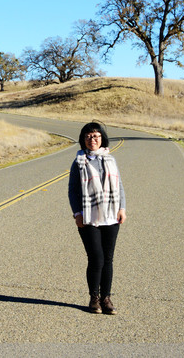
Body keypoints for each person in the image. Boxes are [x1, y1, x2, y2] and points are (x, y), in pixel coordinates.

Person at [68, 121, 127, 315]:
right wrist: (77, 214)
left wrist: (122, 208)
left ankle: (106, 298)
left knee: (108, 259)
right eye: (88, 136)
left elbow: (119, 186)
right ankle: (94, 297)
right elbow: (73, 191)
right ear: (83, 140)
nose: (92, 139)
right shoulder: (78, 162)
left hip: (111, 215)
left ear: (102, 139)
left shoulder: (110, 159)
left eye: (96, 136)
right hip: (89, 216)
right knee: (96, 258)